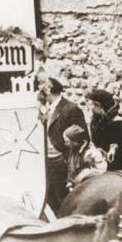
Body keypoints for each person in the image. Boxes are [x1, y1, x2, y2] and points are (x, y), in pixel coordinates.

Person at [45, 77, 88, 212]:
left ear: (49, 89)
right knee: (50, 200)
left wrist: (67, 158)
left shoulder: (71, 108)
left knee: (64, 201)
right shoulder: (46, 109)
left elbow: (83, 137)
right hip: (48, 162)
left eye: (40, 87)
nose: (37, 91)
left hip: (63, 163)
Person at [86, 89, 122, 170]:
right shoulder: (97, 118)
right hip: (102, 159)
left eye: (92, 105)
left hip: (117, 162)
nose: (90, 108)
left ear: (99, 105)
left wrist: (114, 148)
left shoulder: (118, 121)